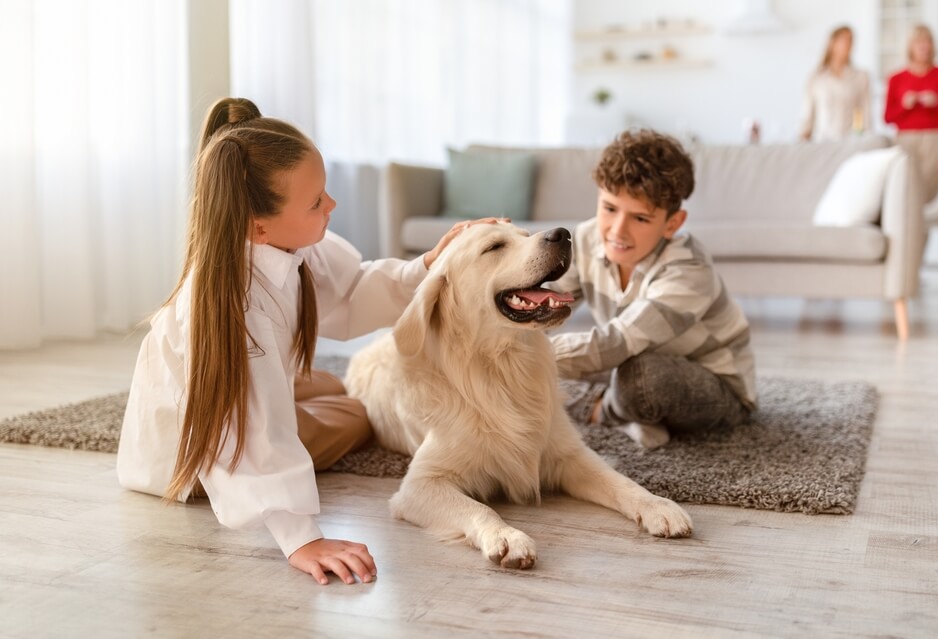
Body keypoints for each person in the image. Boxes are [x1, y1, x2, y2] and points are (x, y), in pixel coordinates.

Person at [117, 97, 497, 584]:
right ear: (259, 223)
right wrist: (302, 538)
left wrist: (426, 266)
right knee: (356, 411)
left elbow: (352, 290)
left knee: (323, 383)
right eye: (316, 202)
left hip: (234, 391)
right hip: (188, 460)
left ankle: (308, 395)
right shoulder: (231, 309)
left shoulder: (280, 244)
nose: (331, 205)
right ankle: (320, 409)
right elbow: (246, 431)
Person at [549, 129, 756, 449]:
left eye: (640, 218)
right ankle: (633, 416)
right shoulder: (587, 238)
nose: (617, 231)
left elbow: (618, 342)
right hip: (628, 358)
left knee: (642, 379)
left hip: (712, 385)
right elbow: (545, 307)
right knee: (559, 362)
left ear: (673, 223)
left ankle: (602, 411)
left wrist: (529, 358)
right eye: (609, 208)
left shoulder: (689, 268)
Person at [884, 25, 938, 203]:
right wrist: (904, 106)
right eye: (919, 42)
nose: (925, 46)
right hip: (905, 141)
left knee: (929, 197)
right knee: (905, 192)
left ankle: (924, 231)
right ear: (910, 47)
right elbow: (887, 117)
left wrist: (937, 103)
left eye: (928, 41)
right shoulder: (896, 78)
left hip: (934, 140)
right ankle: (911, 231)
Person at [800, 25, 871, 142]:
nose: (848, 44)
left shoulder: (861, 77)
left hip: (851, 142)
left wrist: (864, 139)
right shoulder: (816, 78)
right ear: (832, 43)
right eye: (844, 40)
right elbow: (808, 116)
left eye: (851, 40)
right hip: (823, 142)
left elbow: (865, 115)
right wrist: (802, 140)